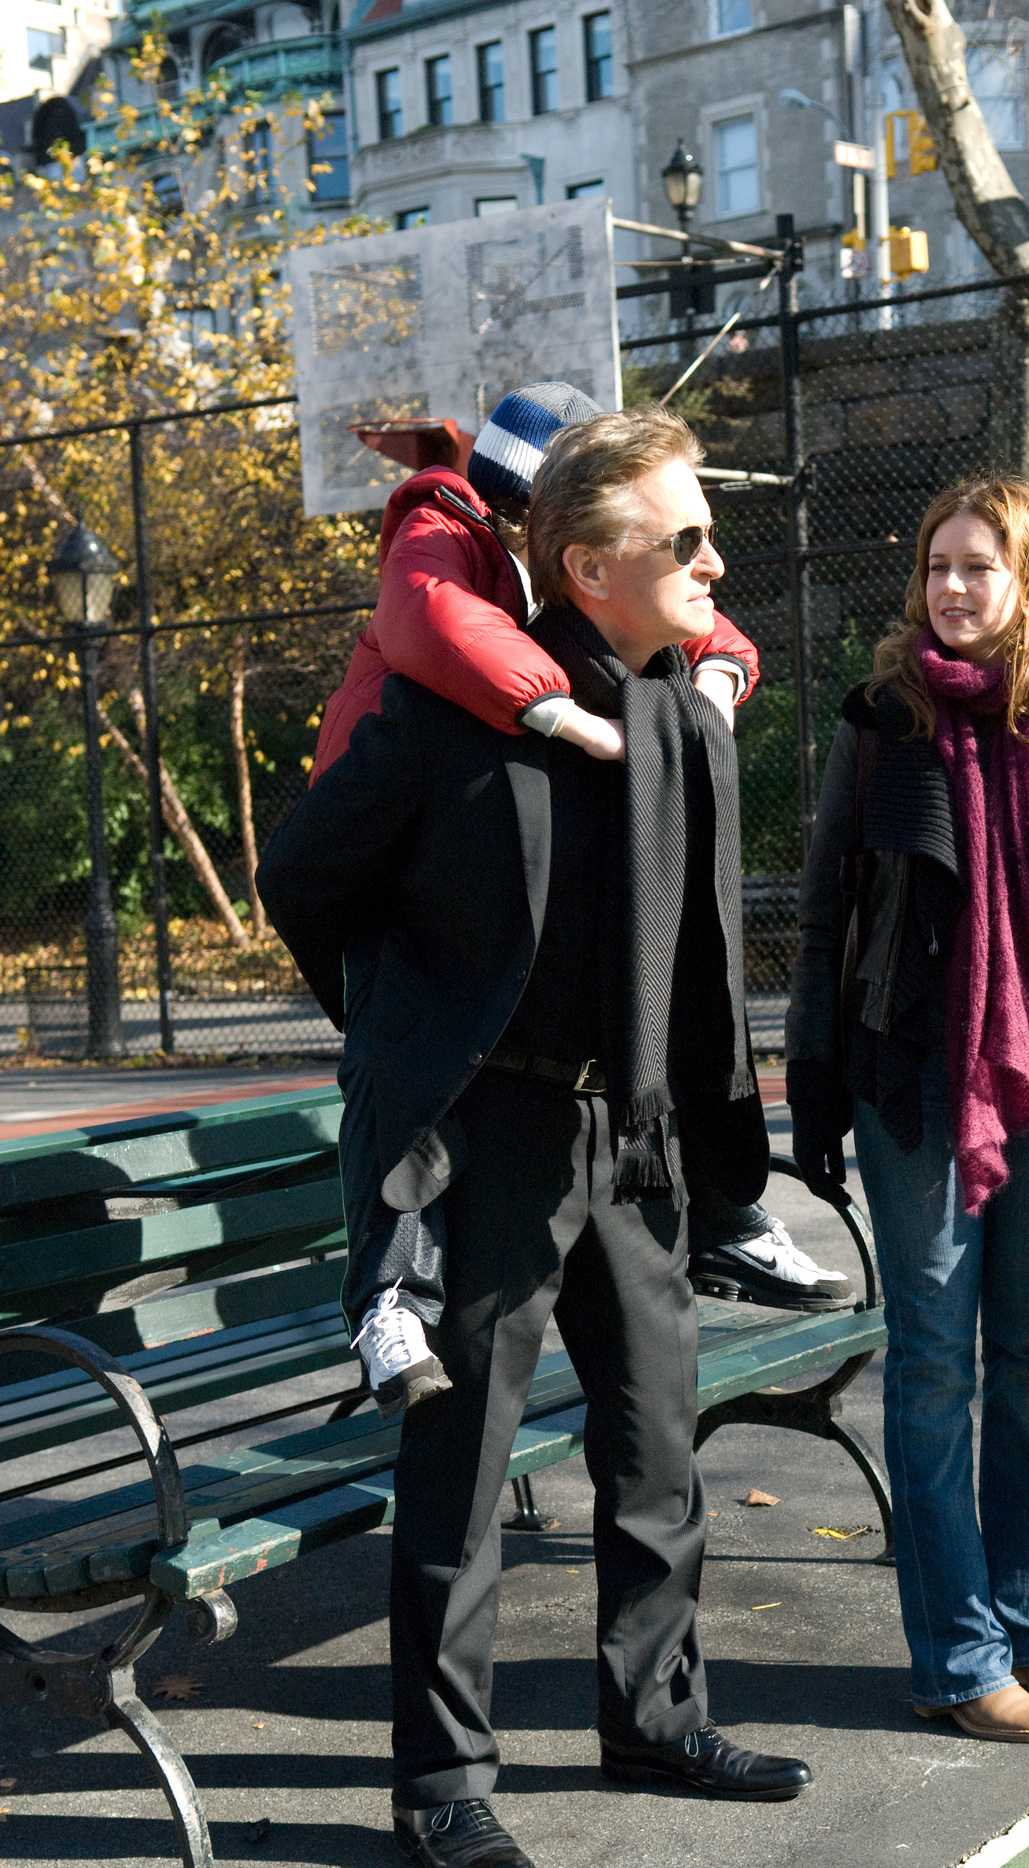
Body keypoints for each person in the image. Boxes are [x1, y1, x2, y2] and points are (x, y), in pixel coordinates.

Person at [257, 406, 814, 1868]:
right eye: (683, 538)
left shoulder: (682, 713)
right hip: (493, 1134)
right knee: (463, 1468)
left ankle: (657, 1721)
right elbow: (305, 878)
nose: (714, 558)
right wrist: (406, 1023)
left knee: (655, 1447)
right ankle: (441, 1787)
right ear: (584, 564)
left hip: (632, 1130)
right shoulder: (456, 719)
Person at [314, 384, 852, 1414]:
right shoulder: (447, 530)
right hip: (385, 849)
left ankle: (726, 1218)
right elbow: (431, 626)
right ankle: (385, 1294)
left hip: (598, 1097)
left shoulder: (579, 561)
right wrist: (573, 721)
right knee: (396, 1075)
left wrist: (713, 691)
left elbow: (714, 628)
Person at [784, 476, 1029, 1744]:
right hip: (911, 1083)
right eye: (935, 564)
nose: (950, 588)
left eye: (977, 566)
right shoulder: (879, 719)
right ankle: (957, 1655)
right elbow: (824, 906)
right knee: (932, 1364)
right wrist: (809, 1070)